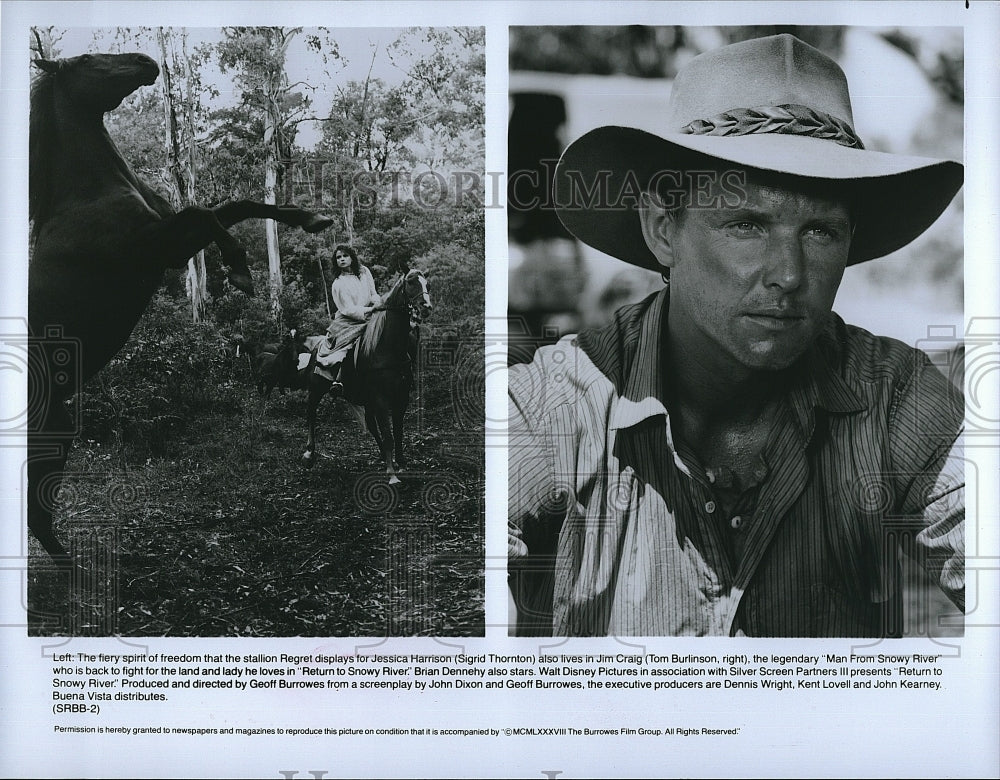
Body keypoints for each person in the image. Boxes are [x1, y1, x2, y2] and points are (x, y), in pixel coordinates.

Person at [508, 34, 965, 637]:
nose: (789, 275)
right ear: (663, 229)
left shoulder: (896, 400)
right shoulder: (548, 412)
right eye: (747, 224)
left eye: (821, 231)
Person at [317, 244, 382, 389]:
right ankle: (339, 379)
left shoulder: (364, 271)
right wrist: (369, 310)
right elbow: (348, 309)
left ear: (352, 257)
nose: (342, 259)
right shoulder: (338, 283)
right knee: (349, 344)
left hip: (372, 312)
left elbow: (373, 292)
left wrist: (377, 303)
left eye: (345, 256)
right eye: (338, 257)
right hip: (349, 320)